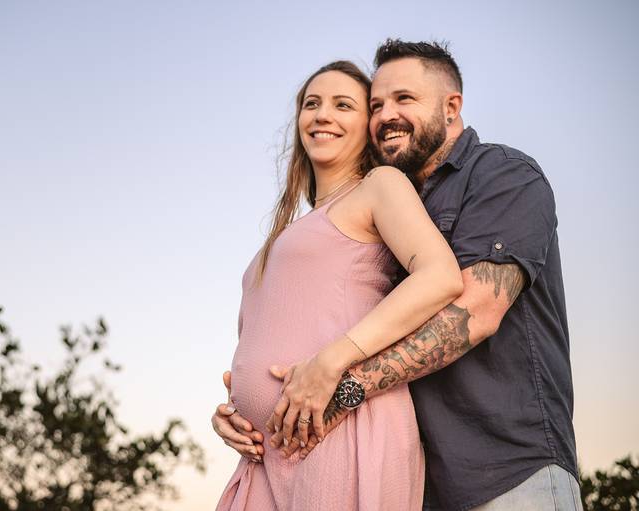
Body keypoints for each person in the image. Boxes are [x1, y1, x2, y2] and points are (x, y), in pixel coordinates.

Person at [213, 40, 582, 510]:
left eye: (404, 98)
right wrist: (243, 410)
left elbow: (475, 310)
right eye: (377, 105)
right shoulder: (395, 203)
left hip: (507, 467)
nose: (387, 114)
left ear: (451, 107)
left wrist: (336, 380)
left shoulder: (501, 174)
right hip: (428, 477)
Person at [215, 60, 463, 511]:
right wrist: (233, 412)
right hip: (265, 453)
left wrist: (333, 360)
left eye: (343, 105)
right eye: (312, 104)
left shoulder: (378, 186)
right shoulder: (294, 228)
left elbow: (440, 275)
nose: (322, 115)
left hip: (342, 428)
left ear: (368, 125)